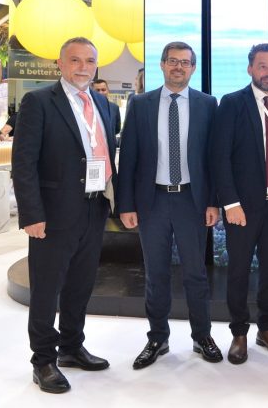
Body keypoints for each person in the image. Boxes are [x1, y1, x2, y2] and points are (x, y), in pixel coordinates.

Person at [12, 37, 116, 394]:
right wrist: (32, 214)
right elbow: (23, 162)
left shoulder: (103, 104)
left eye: (90, 61)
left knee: (80, 284)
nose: (83, 67)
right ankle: (43, 359)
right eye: (75, 60)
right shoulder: (39, 101)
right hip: (54, 213)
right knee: (46, 288)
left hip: (95, 207)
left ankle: (71, 347)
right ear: (60, 63)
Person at [117, 41, 222, 369]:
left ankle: (202, 336)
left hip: (192, 200)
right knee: (156, 274)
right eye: (173, 61)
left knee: (196, 274)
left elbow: (213, 159)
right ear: (162, 65)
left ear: (193, 68)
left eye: (185, 62)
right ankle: (157, 338)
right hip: (153, 201)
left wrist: (213, 202)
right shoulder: (141, 104)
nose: (178, 67)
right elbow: (129, 157)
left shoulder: (207, 104)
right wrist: (126, 204)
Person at [209, 43, 268, 364]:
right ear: (250, 69)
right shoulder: (232, 103)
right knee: (239, 271)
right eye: (263, 66)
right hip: (242, 207)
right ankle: (239, 333)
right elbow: (219, 157)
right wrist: (230, 202)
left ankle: (266, 328)